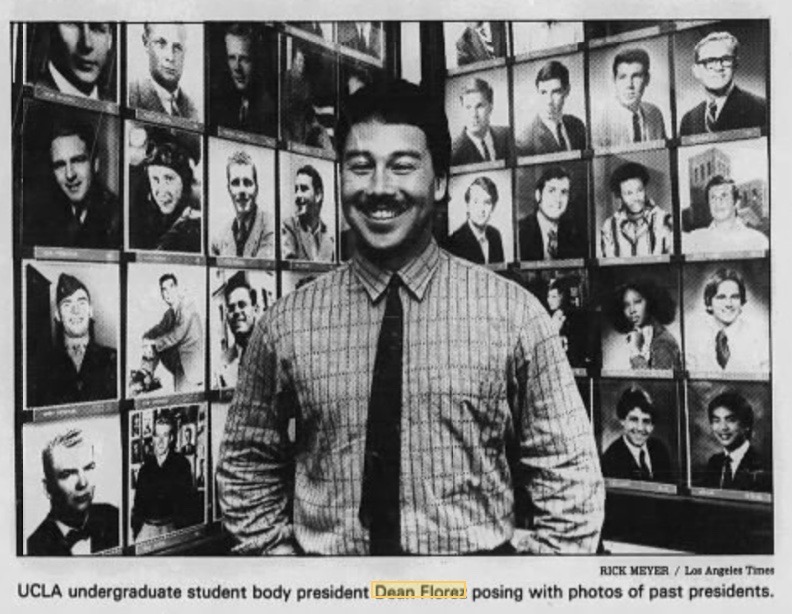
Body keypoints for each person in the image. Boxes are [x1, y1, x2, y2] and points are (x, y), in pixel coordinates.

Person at [218, 78, 604, 555]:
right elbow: (245, 465)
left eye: (402, 166)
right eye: (360, 167)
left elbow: (569, 478)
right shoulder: (284, 324)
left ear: (439, 181)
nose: (380, 189)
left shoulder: (516, 315)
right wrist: (280, 568)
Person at [25, 121, 120, 249]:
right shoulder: (42, 221)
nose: (69, 175)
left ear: (95, 164)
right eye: (60, 165)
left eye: (77, 160)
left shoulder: (118, 217)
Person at [27, 429, 119, 555]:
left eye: (88, 468)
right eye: (67, 474)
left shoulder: (114, 517)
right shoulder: (33, 547)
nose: (82, 483)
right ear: (48, 488)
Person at [34, 273, 117, 407]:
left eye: (81, 302)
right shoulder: (41, 367)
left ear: (90, 311)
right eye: (67, 304)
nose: (75, 310)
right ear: (58, 315)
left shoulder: (114, 360)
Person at [679, 32, 767, 136]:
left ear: (735, 64)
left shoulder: (761, 108)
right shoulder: (689, 120)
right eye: (710, 61)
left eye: (726, 60)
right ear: (696, 71)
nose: (718, 67)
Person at [686, 268, 769, 373]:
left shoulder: (758, 337)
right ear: (709, 303)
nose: (728, 304)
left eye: (735, 297)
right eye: (721, 297)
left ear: (741, 302)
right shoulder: (695, 337)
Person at [128, 136, 201, 252]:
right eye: (155, 180)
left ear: (185, 181)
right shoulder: (144, 223)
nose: (161, 190)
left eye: (169, 179)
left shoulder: (196, 227)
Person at [134, 273, 203, 394]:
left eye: (171, 287)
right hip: (179, 363)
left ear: (177, 288)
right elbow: (157, 330)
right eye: (164, 290)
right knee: (154, 341)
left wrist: (153, 343)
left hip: (190, 366)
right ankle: (145, 374)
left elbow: (177, 335)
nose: (167, 293)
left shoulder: (187, 306)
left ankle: (145, 376)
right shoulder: (169, 314)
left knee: (183, 402)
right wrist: (146, 339)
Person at [131, 415, 195, 541]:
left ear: (171, 438)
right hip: (147, 529)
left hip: (171, 529)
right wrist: (137, 530)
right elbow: (138, 506)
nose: (160, 441)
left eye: (164, 435)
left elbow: (185, 505)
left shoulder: (181, 464)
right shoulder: (145, 469)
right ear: (153, 438)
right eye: (157, 435)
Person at [593, 48, 667, 148]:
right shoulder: (600, 120)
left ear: (647, 79)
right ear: (614, 80)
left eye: (636, 76)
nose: (629, 85)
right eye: (623, 77)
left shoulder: (655, 114)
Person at [212, 23, 276, 134]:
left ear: (257, 61)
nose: (236, 67)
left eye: (244, 59)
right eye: (232, 58)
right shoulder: (222, 104)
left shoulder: (270, 109)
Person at [210, 150, 275, 258]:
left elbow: (262, 272)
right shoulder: (219, 238)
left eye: (247, 183)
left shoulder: (271, 226)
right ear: (229, 189)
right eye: (235, 183)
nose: (242, 190)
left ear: (256, 189)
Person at [600, 161, 673, 257]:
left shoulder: (663, 220)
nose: (636, 198)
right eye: (629, 193)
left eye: (639, 190)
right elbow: (608, 266)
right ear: (620, 195)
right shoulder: (609, 226)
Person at [601, 386, 673, 483]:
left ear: (652, 426)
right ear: (622, 421)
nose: (640, 428)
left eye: (646, 421)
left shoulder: (660, 450)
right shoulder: (610, 459)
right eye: (634, 420)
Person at [700, 391, 769, 491]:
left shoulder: (761, 463)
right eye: (716, 421)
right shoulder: (714, 462)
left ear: (746, 425)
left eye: (730, 420)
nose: (723, 427)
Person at [607, 279, 681, 371]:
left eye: (637, 302)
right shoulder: (641, 336)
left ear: (650, 302)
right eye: (626, 305)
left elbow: (657, 384)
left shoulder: (663, 342)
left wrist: (635, 351)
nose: (632, 310)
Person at [129, 23, 199, 120]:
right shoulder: (130, 97)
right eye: (161, 43)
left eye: (177, 47)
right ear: (146, 42)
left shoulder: (193, 109)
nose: (170, 57)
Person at [517, 60, 587, 156]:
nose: (549, 101)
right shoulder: (525, 142)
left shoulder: (577, 126)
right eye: (543, 92)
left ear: (567, 91)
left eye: (555, 92)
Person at [683, 175, 768, 253]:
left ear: (736, 202)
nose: (718, 202)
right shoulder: (695, 241)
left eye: (724, 196)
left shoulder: (757, 241)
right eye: (713, 198)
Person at [35, 22, 115, 100]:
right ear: (51, 31)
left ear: (110, 39)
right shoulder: (28, 101)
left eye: (97, 28)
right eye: (71, 24)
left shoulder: (115, 106)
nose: (87, 44)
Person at [519, 165, 584, 261]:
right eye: (552, 191)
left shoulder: (574, 233)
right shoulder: (521, 230)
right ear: (538, 195)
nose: (557, 199)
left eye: (563, 192)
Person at [450, 78, 511, 166]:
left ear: (490, 108)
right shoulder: (454, 155)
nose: (474, 114)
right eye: (468, 107)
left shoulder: (506, 135)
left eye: (479, 106)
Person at [281, 164, 335, 262]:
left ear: (318, 195)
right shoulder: (288, 227)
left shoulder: (330, 237)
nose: (297, 195)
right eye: (296, 190)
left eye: (303, 189)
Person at [446, 176, 504, 265]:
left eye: (487, 202)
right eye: (476, 202)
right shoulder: (455, 241)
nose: (481, 209)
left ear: (493, 207)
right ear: (468, 205)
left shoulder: (495, 235)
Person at [217, 272, 259, 389]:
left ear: (255, 309)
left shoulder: (272, 354)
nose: (236, 312)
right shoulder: (222, 362)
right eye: (231, 308)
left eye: (242, 305)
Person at [545, 278, 586, 367]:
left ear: (563, 297)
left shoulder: (564, 318)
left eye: (554, 297)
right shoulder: (556, 316)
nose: (549, 300)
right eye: (548, 296)